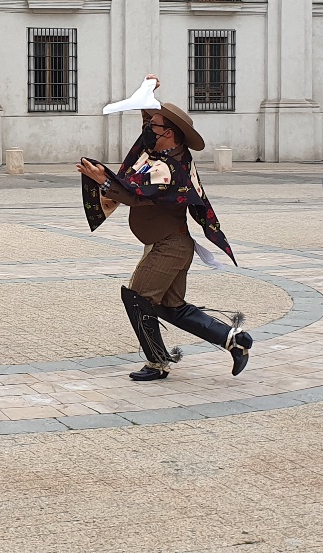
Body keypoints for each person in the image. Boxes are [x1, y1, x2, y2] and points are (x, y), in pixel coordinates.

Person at [77, 75, 252, 382]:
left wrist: (103, 180)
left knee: (137, 297)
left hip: (170, 247)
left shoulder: (168, 169)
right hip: (172, 244)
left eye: (153, 126)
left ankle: (157, 362)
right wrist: (148, 93)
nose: (146, 128)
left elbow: (135, 196)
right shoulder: (165, 153)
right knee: (172, 307)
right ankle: (235, 340)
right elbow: (151, 121)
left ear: (168, 133)